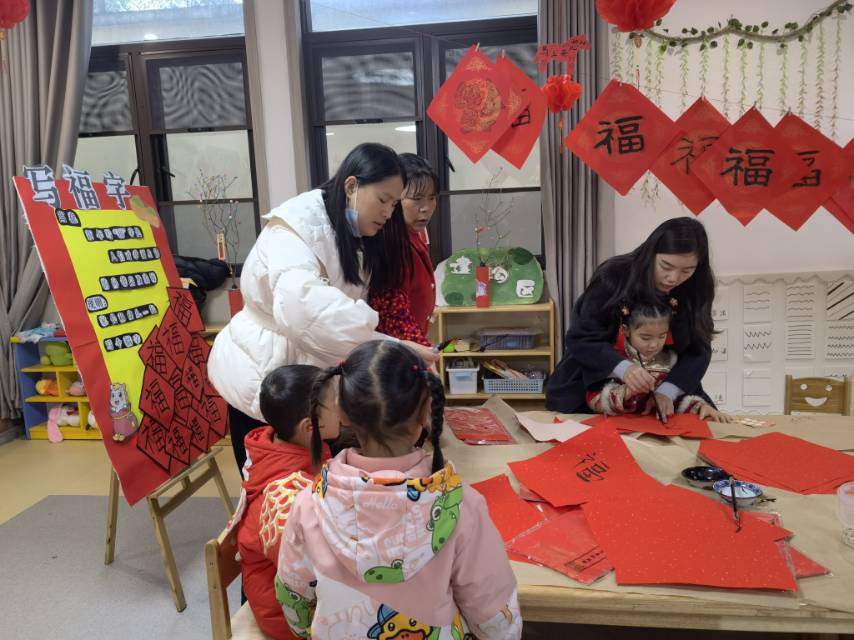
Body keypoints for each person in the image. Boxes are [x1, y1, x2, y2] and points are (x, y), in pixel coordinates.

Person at [208, 143, 438, 470]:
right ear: (352, 186)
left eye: (394, 204)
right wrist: (395, 346)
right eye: (383, 200)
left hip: (305, 381)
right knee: (272, 485)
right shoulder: (295, 229)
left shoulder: (354, 233)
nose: (389, 213)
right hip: (265, 379)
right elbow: (309, 313)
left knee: (313, 488)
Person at [275, 341, 522, 640]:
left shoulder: (309, 503)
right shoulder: (461, 505)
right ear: (424, 414)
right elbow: (492, 612)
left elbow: (293, 596)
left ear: (343, 413)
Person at [546, 217, 716, 418]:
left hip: (665, 382)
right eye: (666, 266)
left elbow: (699, 350)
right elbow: (581, 338)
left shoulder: (696, 287)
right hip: (594, 378)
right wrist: (624, 369)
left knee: (704, 425)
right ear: (651, 253)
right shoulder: (614, 275)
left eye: (686, 271)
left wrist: (667, 391)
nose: (673, 278)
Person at [232, 365, 339, 639]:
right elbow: (311, 573)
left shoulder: (283, 443)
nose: (344, 405)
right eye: (337, 402)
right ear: (309, 427)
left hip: (290, 588)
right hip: (288, 614)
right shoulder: (285, 499)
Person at [586, 301, 730, 422]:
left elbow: (678, 400)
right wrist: (627, 393)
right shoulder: (615, 360)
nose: (654, 345)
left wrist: (699, 408)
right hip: (619, 431)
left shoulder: (670, 361)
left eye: (662, 336)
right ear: (626, 330)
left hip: (656, 431)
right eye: (645, 337)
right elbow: (594, 400)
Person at [369, 153, 439, 346]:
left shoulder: (414, 234)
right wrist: (425, 353)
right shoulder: (390, 245)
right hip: (397, 352)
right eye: (416, 199)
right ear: (395, 200)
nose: (426, 208)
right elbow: (393, 319)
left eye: (432, 198)